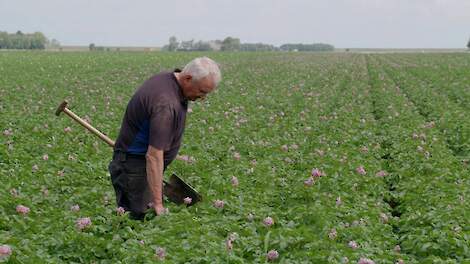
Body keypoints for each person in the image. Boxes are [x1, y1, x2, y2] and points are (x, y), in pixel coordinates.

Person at [108, 57, 221, 219]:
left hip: (139, 164)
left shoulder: (168, 79)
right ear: (188, 78)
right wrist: (158, 203)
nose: (202, 98)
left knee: (143, 220)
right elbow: (154, 156)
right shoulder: (165, 104)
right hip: (134, 169)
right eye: (202, 91)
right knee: (140, 222)